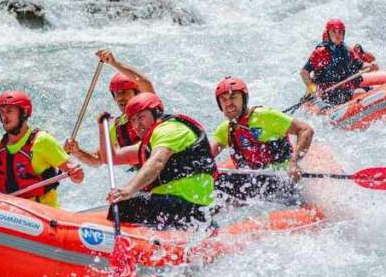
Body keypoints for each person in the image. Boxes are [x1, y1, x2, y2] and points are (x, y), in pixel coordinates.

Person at [106, 92, 216, 229]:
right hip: (180, 205)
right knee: (133, 201)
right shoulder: (151, 142)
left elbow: (157, 161)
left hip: (188, 205)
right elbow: (112, 157)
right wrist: (101, 127)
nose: (137, 125)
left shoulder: (169, 129)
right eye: (133, 120)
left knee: (122, 207)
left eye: (141, 117)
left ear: (156, 112)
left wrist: (128, 189)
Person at [209, 76, 314, 203]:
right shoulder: (224, 129)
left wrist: (294, 163)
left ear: (244, 99)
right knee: (215, 181)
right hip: (252, 179)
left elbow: (305, 130)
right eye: (223, 100)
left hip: (280, 178)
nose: (228, 103)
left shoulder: (265, 116)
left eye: (233, 97)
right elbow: (206, 157)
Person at [0, 90, 84, 207]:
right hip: (10, 214)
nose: (5, 116)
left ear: (24, 112)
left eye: (9, 111)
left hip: (44, 213)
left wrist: (76, 173)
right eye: (2, 112)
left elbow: (76, 176)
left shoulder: (43, 141)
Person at [64, 48, 155, 166]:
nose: (119, 98)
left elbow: (144, 83)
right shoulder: (117, 128)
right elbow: (97, 160)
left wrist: (114, 63)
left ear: (137, 93)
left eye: (124, 92)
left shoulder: (151, 109)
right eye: (116, 94)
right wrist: (77, 151)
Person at [300, 18, 379, 107]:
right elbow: (304, 72)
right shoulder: (320, 53)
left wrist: (370, 66)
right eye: (334, 32)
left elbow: (361, 65)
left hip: (347, 89)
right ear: (328, 34)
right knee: (358, 93)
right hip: (329, 93)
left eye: (340, 32)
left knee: (368, 91)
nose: (338, 35)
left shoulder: (347, 51)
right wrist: (313, 90)